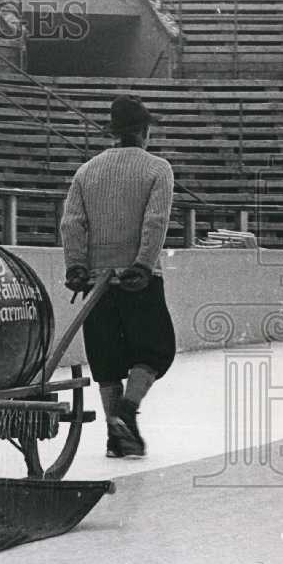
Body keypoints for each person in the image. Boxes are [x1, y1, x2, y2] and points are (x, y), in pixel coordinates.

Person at [60, 94, 177, 459]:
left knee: (107, 360)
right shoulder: (158, 169)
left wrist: (76, 265)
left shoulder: (87, 171)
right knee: (156, 350)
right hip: (136, 278)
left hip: (97, 283)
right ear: (144, 132)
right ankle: (127, 410)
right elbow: (155, 221)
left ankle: (117, 437)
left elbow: (72, 223)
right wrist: (143, 263)